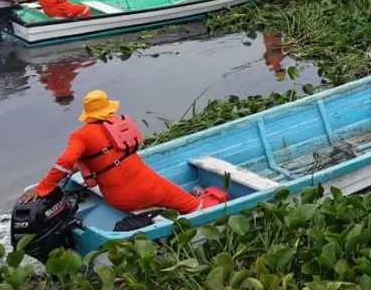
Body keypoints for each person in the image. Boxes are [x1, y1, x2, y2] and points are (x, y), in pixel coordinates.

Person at [19, 90, 224, 214]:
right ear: (108, 109)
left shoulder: (81, 137)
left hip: (118, 198)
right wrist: (45, 186)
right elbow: (67, 160)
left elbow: (68, 163)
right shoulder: (117, 127)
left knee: (164, 194)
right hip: (148, 187)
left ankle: (161, 209)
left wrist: (43, 187)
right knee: (193, 205)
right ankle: (198, 206)